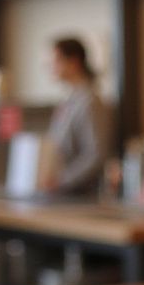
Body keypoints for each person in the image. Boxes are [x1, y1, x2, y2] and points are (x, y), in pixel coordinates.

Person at [46, 37, 108, 195]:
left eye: (56, 60)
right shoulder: (68, 101)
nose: (50, 66)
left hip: (80, 194)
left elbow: (96, 155)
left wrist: (62, 180)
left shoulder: (89, 102)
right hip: (62, 191)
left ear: (73, 62)